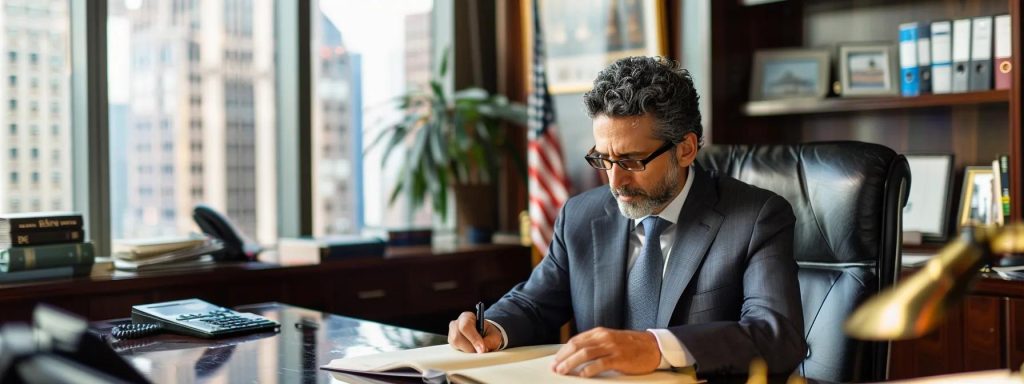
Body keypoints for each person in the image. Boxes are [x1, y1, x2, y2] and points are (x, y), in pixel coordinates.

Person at [447, 56, 806, 377]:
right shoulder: (581, 216)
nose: (615, 181)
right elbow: (534, 304)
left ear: (686, 149)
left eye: (632, 161)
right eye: (603, 159)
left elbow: (776, 336)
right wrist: (491, 326)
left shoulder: (756, 217)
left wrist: (655, 347)